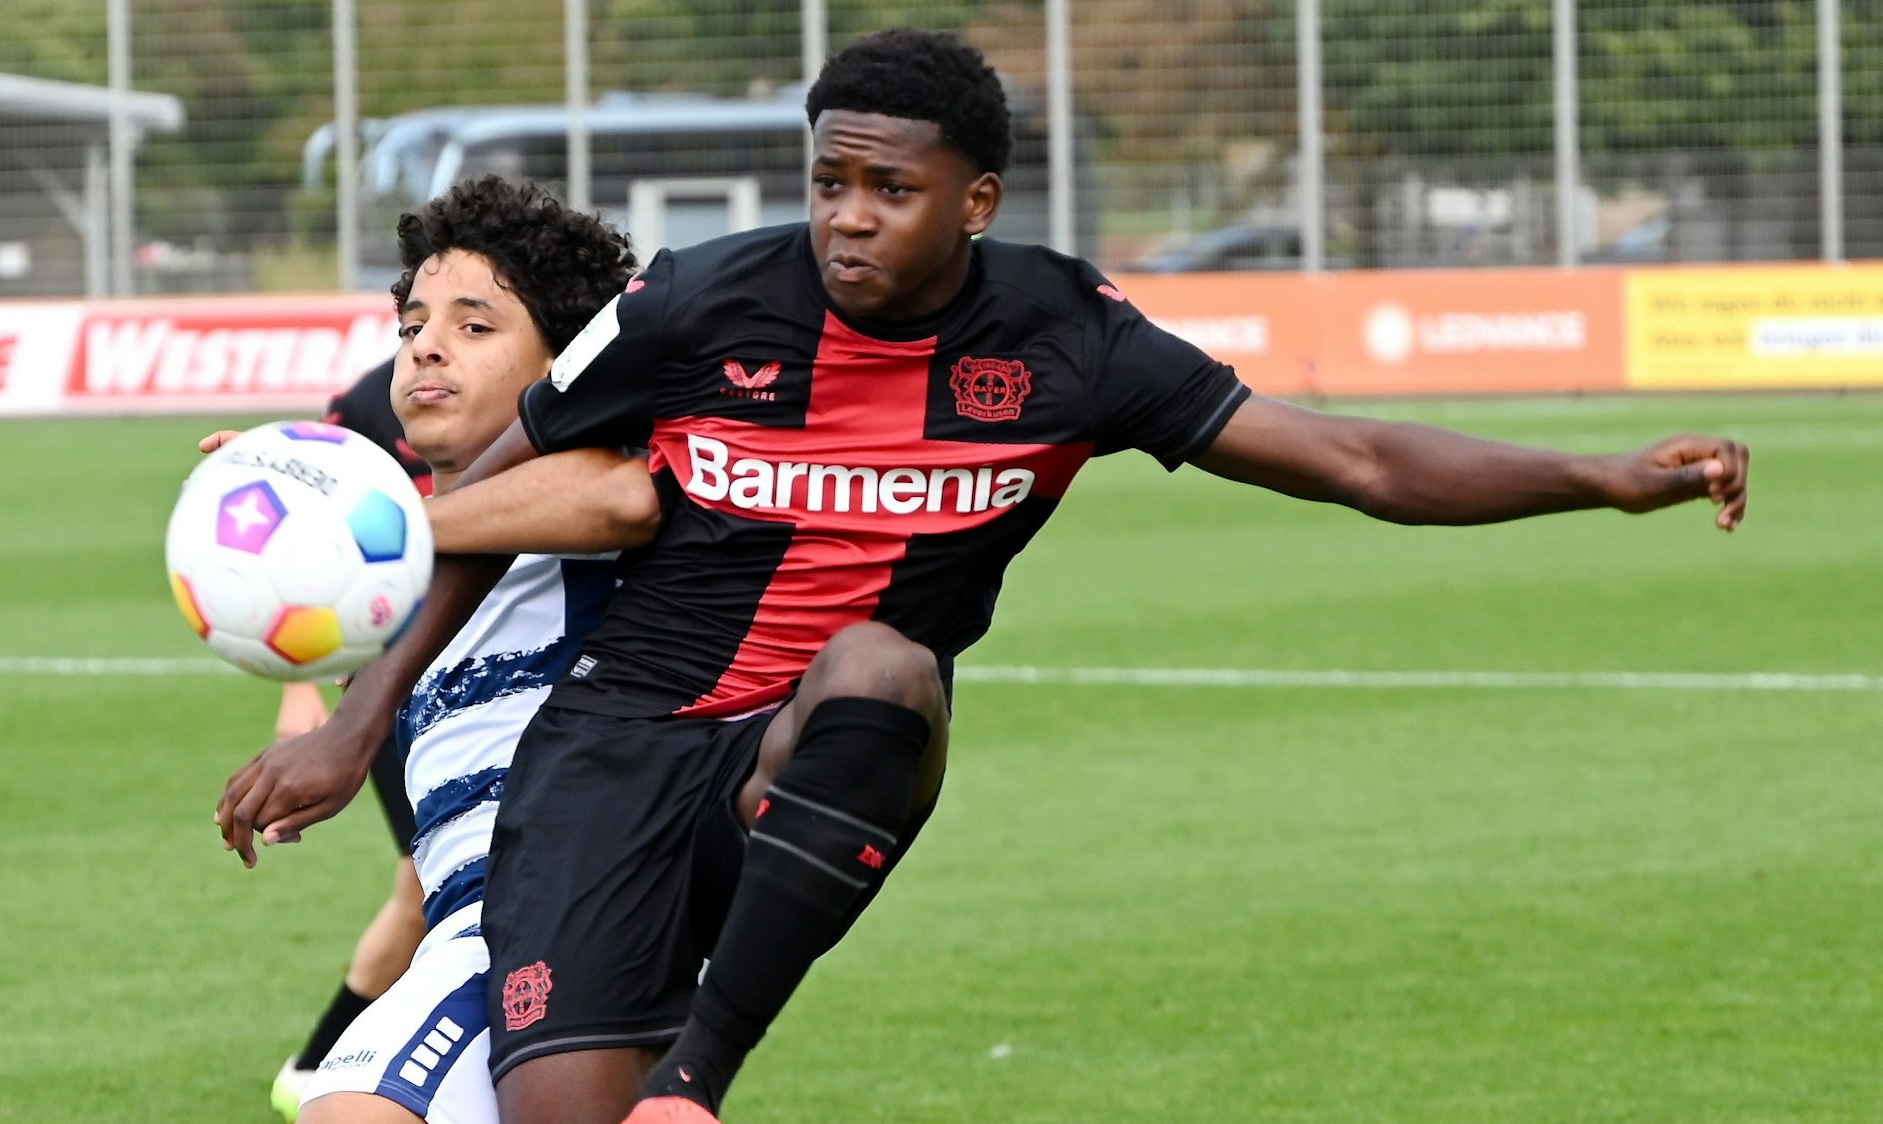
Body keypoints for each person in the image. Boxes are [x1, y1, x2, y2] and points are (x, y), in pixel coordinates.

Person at [216, 28, 1750, 1124]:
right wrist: (359, 724)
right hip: (609, 753)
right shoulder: (696, 304)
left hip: (804, 756)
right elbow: (490, 505)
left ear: (976, 200)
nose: (848, 220)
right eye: (827, 183)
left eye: (888, 189)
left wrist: (1603, 482)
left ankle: (701, 1079)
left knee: (887, 669)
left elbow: (1348, 460)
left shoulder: (1068, 342)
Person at [283, 174, 642, 1124]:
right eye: (411, 326)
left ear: (563, 367)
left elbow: (618, 494)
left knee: (346, 1111)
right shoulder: (415, 561)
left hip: (541, 917)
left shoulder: (582, 493)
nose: (427, 346)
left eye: (476, 326)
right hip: (483, 925)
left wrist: (386, 517)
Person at [265, 357, 437, 1122]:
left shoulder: (540, 393)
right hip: (391, 688)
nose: (430, 342)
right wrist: (301, 684)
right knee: (425, 886)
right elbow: (296, 552)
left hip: (496, 680)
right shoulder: (373, 400)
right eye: (417, 319)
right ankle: (317, 1065)